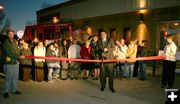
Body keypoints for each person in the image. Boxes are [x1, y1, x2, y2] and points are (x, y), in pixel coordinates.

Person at [2, 29, 25, 98]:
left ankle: (14, 90)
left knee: (15, 77)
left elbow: (17, 50)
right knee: (8, 78)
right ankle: (6, 91)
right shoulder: (6, 43)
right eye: (10, 34)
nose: (11, 35)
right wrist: (19, 56)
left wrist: (21, 46)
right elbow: (9, 53)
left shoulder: (15, 41)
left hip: (15, 62)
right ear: (7, 35)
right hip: (8, 63)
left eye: (12, 33)